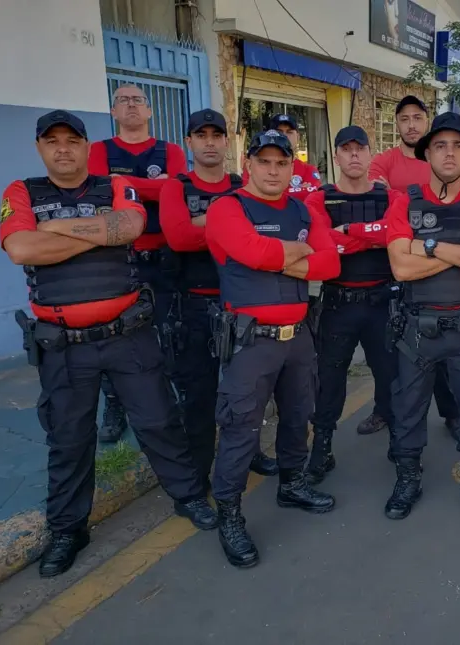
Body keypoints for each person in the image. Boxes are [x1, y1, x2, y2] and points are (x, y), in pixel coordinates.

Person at [0, 110, 216, 578]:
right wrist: (96, 233)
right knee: (69, 439)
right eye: (52, 141)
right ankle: (68, 530)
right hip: (63, 346)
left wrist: (52, 229)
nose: (62, 149)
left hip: (128, 335)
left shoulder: (116, 186)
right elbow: (20, 248)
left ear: (85, 146)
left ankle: (190, 496)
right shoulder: (21, 192)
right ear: (40, 147)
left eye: (72, 140)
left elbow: (129, 228)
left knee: (159, 421)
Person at [205, 129, 341, 568]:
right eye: (264, 161)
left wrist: (277, 254)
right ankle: (229, 513)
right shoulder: (228, 207)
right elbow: (247, 250)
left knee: (298, 415)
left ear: (291, 167)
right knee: (241, 428)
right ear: (248, 164)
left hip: (298, 337)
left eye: (282, 162)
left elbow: (331, 262)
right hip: (250, 341)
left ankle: (292, 484)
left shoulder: (302, 208)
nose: (273, 170)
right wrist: (299, 252)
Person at [384, 112, 460, 522]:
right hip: (418, 328)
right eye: (440, 145)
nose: (449, 152)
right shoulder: (405, 202)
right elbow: (400, 268)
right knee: (407, 408)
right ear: (427, 153)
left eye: (458, 145)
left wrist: (430, 246)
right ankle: (407, 478)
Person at [159, 109, 278, 488]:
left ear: (228, 142)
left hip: (245, 307)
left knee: (250, 393)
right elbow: (178, 237)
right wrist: (232, 228)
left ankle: (251, 453)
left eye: (217, 134)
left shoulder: (245, 183)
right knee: (199, 398)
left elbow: (264, 235)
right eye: (201, 135)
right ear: (189, 142)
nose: (210, 142)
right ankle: (198, 478)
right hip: (195, 308)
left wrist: (215, 227)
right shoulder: (176, 187)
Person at [88, 83, 189, 443]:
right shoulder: (98, 150)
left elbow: (173, 191)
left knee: (169, 331)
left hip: (164, 257)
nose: (131, 105)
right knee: (114, 337)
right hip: (118, 259)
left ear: (149, 111)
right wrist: (150, 186)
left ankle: (172, 400)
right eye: (122, 101)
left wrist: (124, 183)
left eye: (138, 100)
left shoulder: (171, 151)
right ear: (113, 112)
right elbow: (101, 189)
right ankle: (115, 405)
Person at [302, 126, 401, 482]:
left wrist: (348, 233)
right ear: (337, 156)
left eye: (361, 148)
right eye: (347, 148)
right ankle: (322, 449)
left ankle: (400, 444)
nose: (354, 154)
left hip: (383, 302)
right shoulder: (318, 198)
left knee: (392, 376)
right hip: (338, 303)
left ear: (371, 154)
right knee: (328, 380)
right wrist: (371, 236)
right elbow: (322, 244)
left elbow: (396, 234)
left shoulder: (390, 197)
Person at [370, 95, 460, 437]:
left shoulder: (438, 158)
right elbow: (380, 201)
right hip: (397, 261)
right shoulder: (383, 161)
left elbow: (449, 205)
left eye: (417, 118)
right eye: (404, 119)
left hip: (439, 269)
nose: (411, 125)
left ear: (427, 122)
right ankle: (386, 412)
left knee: (443, 347)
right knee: (394, 349)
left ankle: (451, 413)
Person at [242, 114, 322, 201]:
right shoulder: (255, 166)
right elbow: (250, 197)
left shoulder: (309, 170)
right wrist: (298, 190)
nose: (285, 136)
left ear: (298, 137)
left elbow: (314, 199)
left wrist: (272, 191)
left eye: (289, 132)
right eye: (279, 131)